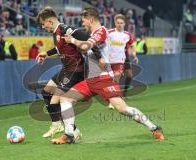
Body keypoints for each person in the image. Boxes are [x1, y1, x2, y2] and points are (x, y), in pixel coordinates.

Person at [52, 7, 164, 144]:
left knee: (122, 109)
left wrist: (73, 41)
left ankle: (154, 128)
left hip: (104, 78)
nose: (82, 23)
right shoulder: (93, 34)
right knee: (65, 99)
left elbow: (87, 46)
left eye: (83, 21)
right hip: (90, 80)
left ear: (91, 19)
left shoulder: (101, 31)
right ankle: (69, 135)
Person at [35, 7, 100, 141]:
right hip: (66, 69)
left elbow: (87, 38)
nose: (42, 26)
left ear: (50, 21)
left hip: (76, 70)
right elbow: (60, 48)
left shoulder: (65, 29)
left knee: (55, 100)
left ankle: (59, 126)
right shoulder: (56, 32)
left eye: (43, 23)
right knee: (46, 92)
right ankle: (73, 130)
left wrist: (97, 55)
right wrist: (46, 54)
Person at [107, 14, 138, 109]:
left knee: (123, 76)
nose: (119, 24)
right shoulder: (109, 33)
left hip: (122, 59)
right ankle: (113, 98)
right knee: (111, 80)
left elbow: (132, 45)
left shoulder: (127, 35)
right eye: (118, 23)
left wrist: (135, 55)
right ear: (115, 23)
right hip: (109, 60)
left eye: (121, 23)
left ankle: (119, 96)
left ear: (124, 24)